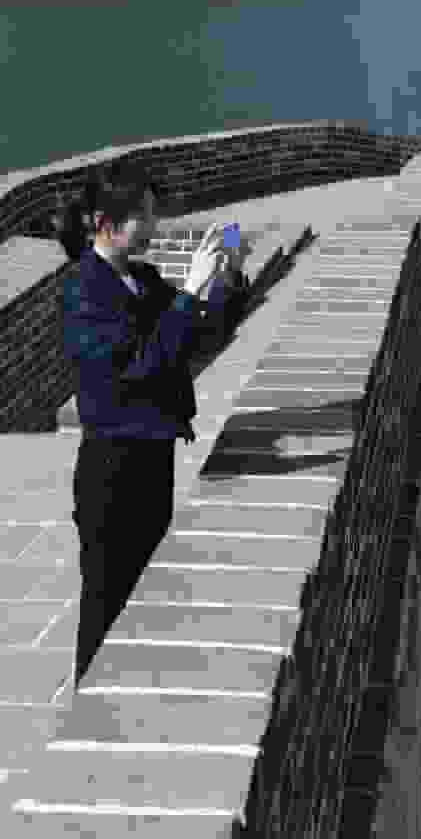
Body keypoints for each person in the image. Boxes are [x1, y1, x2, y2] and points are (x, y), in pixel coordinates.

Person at [58, 169, 244, 685]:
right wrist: (189, 291)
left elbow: (196, 337)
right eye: (143, 215)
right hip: (112, 469)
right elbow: (142, 363)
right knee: (105, 602)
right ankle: (87, 703)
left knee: (146, 593)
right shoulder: (83, 292)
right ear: (106, 223)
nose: (153, 225)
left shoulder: (142, 280)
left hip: (152, 459)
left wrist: (225, 279)